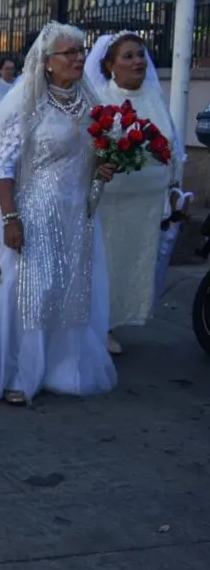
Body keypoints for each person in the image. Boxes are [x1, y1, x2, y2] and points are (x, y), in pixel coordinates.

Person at [0, 22, 118, 404]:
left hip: (77, 214)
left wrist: (105, 167)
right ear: (47, 62)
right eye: (69, 52)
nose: (78, 58)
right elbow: (2, 167)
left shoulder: (91, 106)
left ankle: (61, 367)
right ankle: (19, 372)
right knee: (31, 292)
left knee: (68, 288)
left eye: (80, 51)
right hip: (34, 213)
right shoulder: (28, 107)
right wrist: (10, 218)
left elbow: (95, 157)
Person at [84, 32, 184, 351]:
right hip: (110, 205)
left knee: (131, 266)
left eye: (140, 54)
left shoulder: (155, 98)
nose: (138, 61)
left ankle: (113, 322)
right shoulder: (100, 99)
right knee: (106, 263)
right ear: (110, 66)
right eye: (128, 56)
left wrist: (174, 189)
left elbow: (171, 147)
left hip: (146, 205)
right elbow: (89, 151)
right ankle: (99, 326)